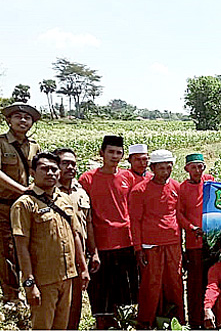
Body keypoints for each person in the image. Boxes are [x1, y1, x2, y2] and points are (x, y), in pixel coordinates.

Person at [11, 152, 90, 329]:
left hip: (68, 276)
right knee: (42, 326)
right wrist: (29, 283)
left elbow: (75, 234)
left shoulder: (64, 199)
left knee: (62, 325)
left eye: (54, 169)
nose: (50, 173)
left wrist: (83, 268)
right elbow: (21, 246)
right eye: (44, 169)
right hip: (44, 280)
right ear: (32, 172)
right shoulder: (24, 204)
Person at [78, 135, 138, 329]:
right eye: (110, 152)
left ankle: (124, 323)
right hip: (101, 242)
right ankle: (102, 324)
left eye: (118, 153)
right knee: (101, 290)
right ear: (101, 153)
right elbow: (85, 215)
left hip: (126, 240)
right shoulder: (87, 179)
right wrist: (91, 248)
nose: (114, 156)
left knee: (126, 289)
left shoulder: (128, 177)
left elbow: (133, 206)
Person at [0, 102, 41, 309]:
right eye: (18, 117)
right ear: (8, 121)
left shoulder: (34, 146)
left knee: (27, 246)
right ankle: (11, 296)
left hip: (25, 206)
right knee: (5, 250)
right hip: (1, 205)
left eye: (27, 118)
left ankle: (30, 287)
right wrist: (22, 191)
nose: (23, 121)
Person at [129, 149, 185, 327]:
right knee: (151, 285)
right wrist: (138, 248)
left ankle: (177, 321)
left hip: (173, 243)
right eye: (161, 168)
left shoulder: (176, 186)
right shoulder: (140, 190)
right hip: (151, 245)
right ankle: (146, 322)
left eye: (169, 168)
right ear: (152, 168)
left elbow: (180, 214)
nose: (165, 172)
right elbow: (135, 221)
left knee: (175, 283)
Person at [54, 147, 91, 330]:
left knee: (75, 305)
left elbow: (88, 224)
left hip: (80, 257)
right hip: (57, 259)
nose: (70, 167)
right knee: (57, 307)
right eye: (65, 163)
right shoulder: (48, 194)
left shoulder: (81, 192)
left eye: (73, 164)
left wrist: (94, 253)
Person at [178, 153, 215, 328]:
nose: (197, 171)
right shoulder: (182, 188)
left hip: (212, 243)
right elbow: (179, 214)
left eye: (200, 167)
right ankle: (195, 321)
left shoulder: (210, 182)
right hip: (194, 242)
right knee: (194, 284)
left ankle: (211, 317)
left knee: (212, 282)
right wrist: (191, 228)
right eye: (193, 167)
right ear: (187, 169)